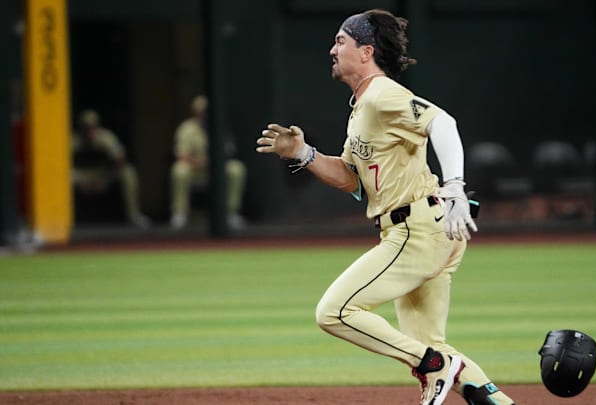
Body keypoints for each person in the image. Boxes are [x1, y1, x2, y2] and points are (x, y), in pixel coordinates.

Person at [256, 9, 514, 405]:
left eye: (341, 41)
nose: (332, 49)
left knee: (334, 311)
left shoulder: (381, 94)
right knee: (430, 344)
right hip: (423, 227)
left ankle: (433, 366)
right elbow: (350, 178)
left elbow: (442, 123)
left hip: (416, 229)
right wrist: (303, 152)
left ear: (366, 50)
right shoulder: (363, 106)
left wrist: (456, 187)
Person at [169, 95, 247, 230]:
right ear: (196, 112)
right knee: (180, 170)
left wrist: (216, 162)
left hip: (216, 169)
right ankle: (180, 213)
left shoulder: (219, 127)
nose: (205, 114)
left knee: (236, 168)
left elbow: (229, 152)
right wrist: (200, 162)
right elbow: (182, 155)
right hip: (195, 169)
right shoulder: (187, 128)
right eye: (203, 111)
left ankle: (230, 213)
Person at [72, 109, 151, 228]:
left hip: (104, 174)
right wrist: (83, 182)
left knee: (128, 172)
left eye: (92, 127)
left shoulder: (106, 138)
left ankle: (134, 215)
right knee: (66, 177)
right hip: (83, 175)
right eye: (86, 127)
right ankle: (64, 218)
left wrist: (106, 180)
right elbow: (60, 166)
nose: (89, 130)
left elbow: (121, 161)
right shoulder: (73, 140)